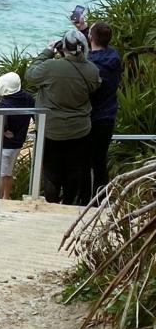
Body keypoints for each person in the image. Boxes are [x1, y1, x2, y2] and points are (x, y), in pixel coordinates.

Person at [26, 28, 100, 205]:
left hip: (51, 129)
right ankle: (68, 203)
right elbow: (95, 86)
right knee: (73, 170)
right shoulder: (92, 70)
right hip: (79, 130)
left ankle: (52, 203)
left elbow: (30, 75)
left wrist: (47, 52)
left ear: (63, 47)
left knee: (51, 171)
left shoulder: (51, 66)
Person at [86, 20, 122, 198]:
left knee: (84, 161)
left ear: (91, 38)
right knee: (100, 161)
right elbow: (97, 47)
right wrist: (84, 29)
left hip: (89, 117)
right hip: (108, 116)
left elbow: (82, 61)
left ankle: (84, 200)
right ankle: (100, 200)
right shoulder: (114, 57)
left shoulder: (89, 64)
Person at [0, 71, 35, 199]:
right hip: (18, 142)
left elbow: (3, 126)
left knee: (0, 174)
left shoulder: (4, 105)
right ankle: (6, 197)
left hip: (4, 144)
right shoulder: (28, 98)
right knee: (8, 172)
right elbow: (35, 117)